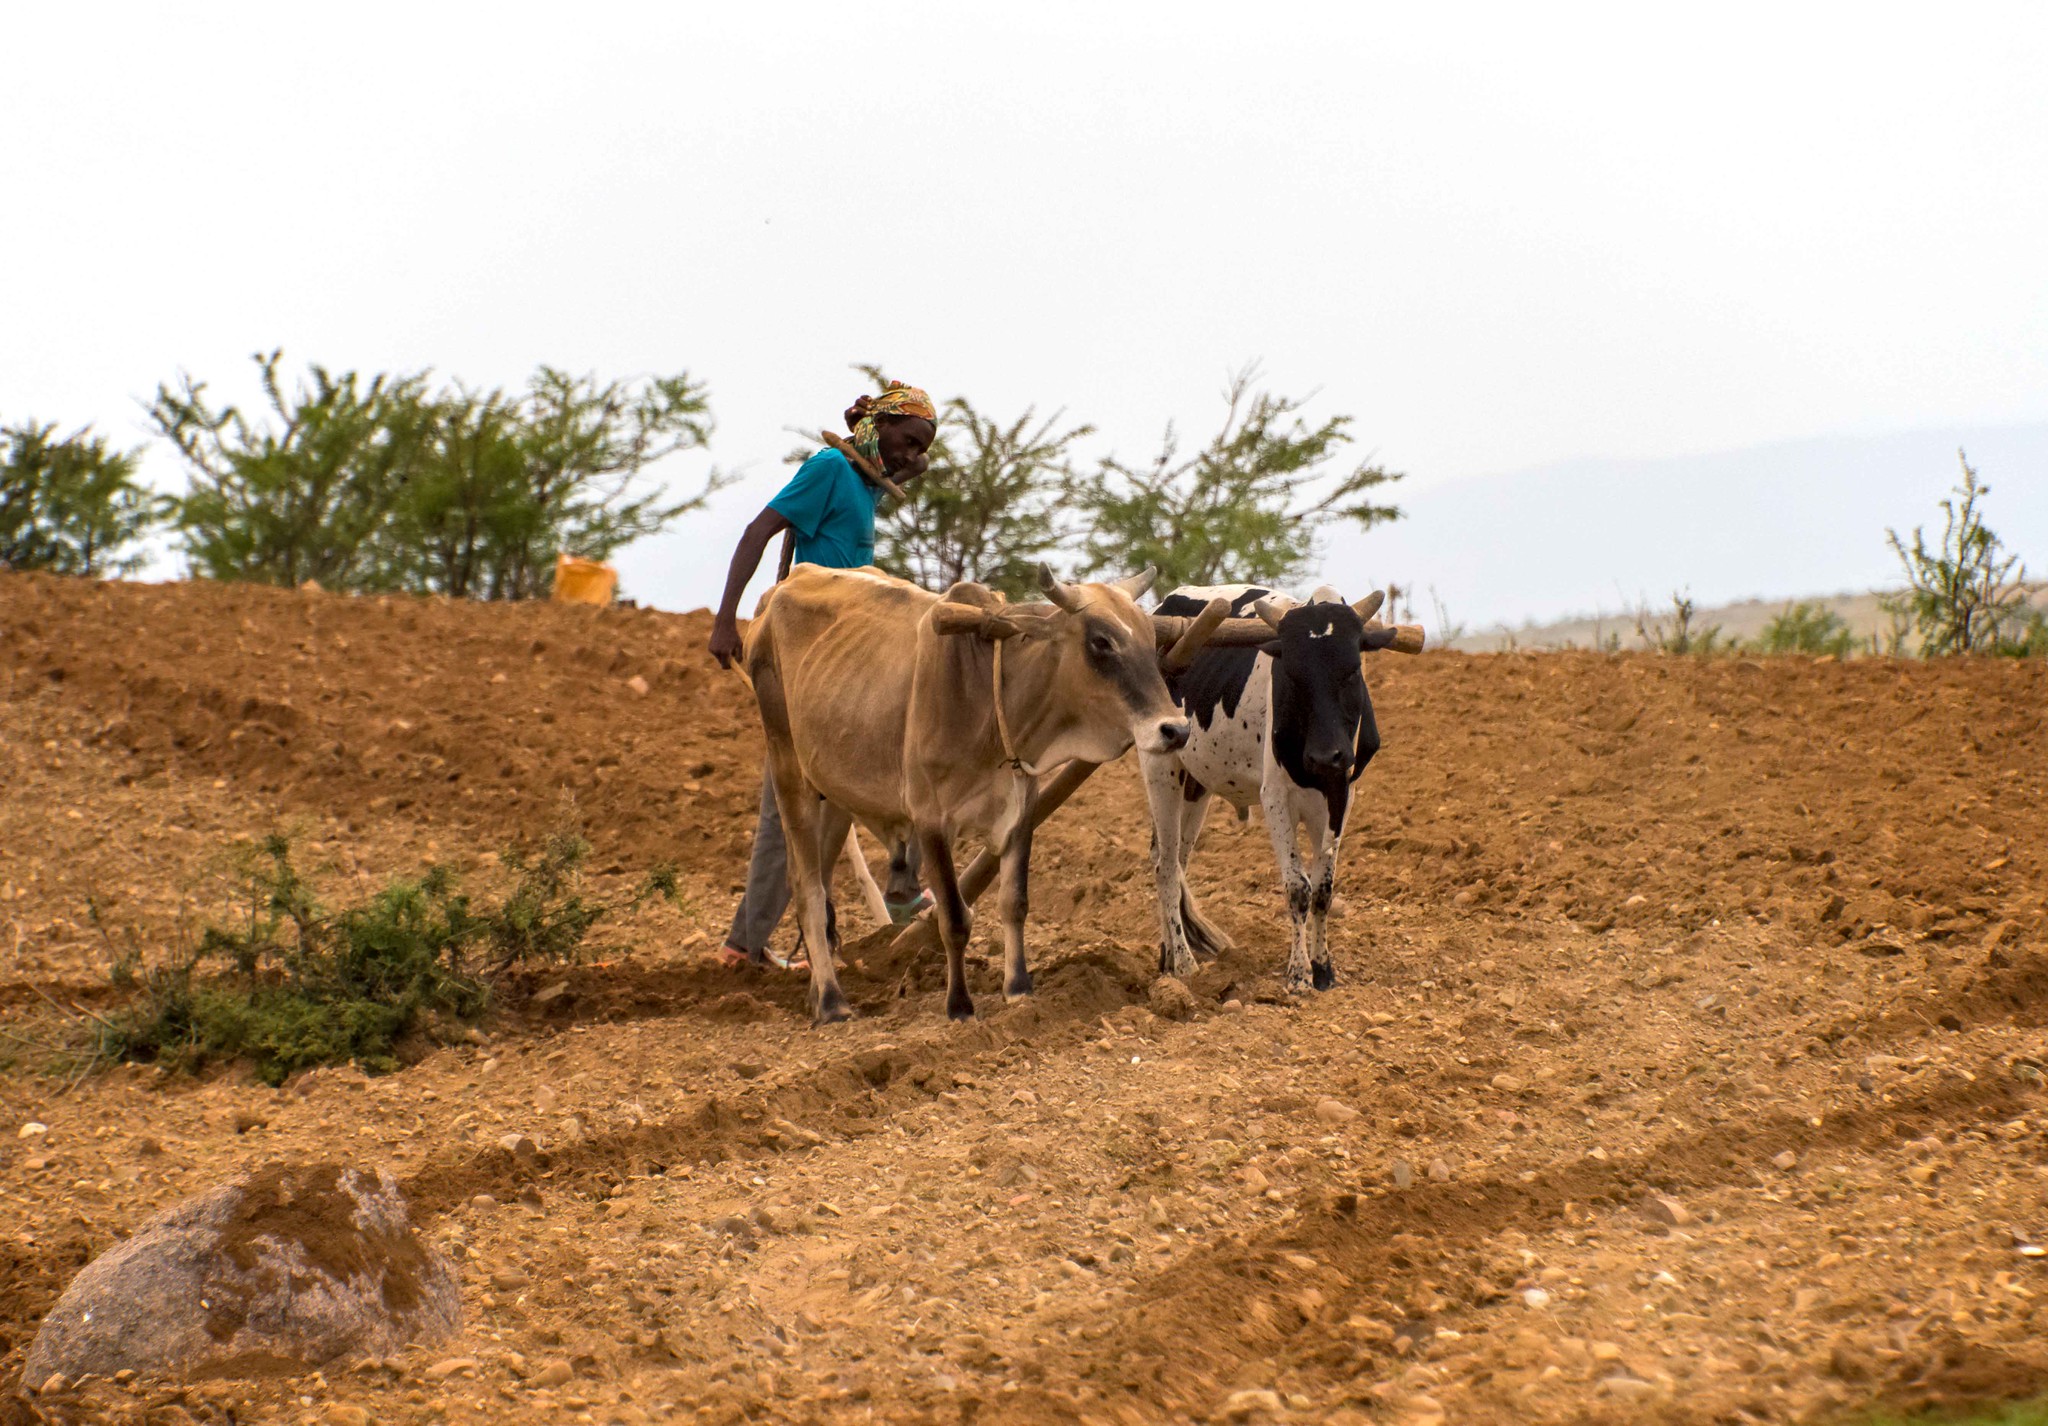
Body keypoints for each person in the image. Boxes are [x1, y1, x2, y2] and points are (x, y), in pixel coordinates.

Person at [708, 382, 939, 969]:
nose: (913, 456)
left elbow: (866, 500)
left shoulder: (861, 483)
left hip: (846, 657)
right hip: (809, 653)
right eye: (907, 441)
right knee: (789, 805)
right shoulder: (831, 468)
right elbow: (759, 531)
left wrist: (898, 470)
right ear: (878, 427)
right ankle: (750, 944)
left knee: (831, 800)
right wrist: (726, 621)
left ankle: (796, 940)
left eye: (923, 450)